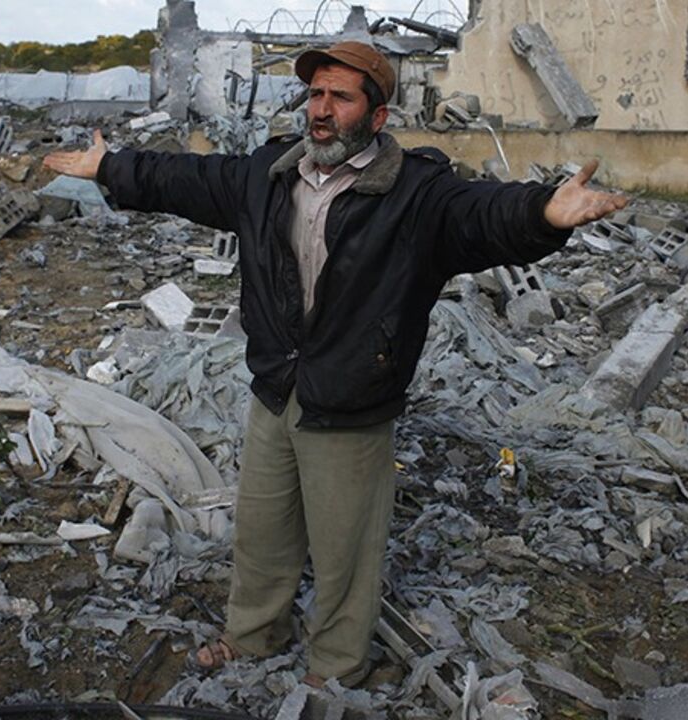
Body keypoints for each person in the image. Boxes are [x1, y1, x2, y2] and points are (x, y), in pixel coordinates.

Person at [44, 40, 628, 688]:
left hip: (352, 401)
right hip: (276, 389)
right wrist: (109, 166)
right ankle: (255, 633)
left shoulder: (417, 196)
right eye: (316, 94)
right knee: (262, 532)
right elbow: (186, 180)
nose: (320, 110)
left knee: (346, 550)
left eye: (340, 97)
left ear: (377, 117)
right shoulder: (269, 174)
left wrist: (545, 213)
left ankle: (337, 664)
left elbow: (482, 216)